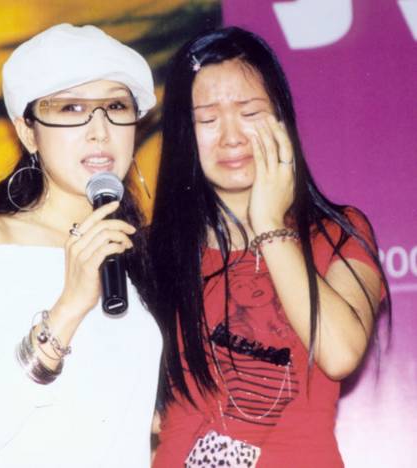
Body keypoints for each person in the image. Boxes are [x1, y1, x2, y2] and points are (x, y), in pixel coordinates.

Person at [0, 23, 162, 467]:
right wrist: (69, 306)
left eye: (115, 106)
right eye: (72, 108)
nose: (99, 130)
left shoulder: (131, 254)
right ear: (29, 132)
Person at [148, 27, 390, 467]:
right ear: (184, 134)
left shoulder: (338, 232)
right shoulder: (154, 253)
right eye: (207, 120)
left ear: (281, 118)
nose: (231, 137)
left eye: (249, 112)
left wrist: (269, 225)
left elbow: (339, 353)